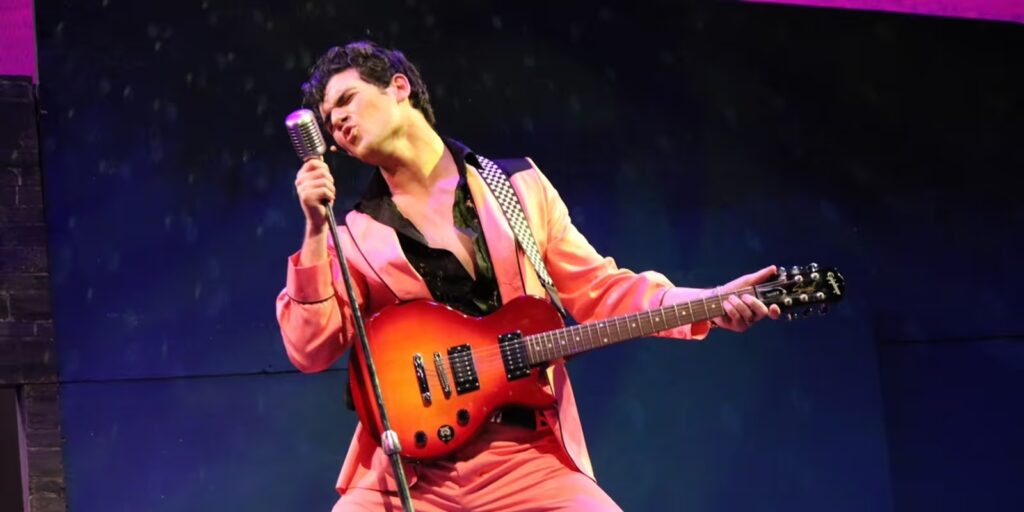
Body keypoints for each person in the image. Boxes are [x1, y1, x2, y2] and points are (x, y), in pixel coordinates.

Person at [276, 40, 781, 511]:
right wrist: (315, 228)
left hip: (526, 455)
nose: (338, 121)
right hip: (408, 473)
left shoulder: (517, 185)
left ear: (399, 88)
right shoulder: (352, 235)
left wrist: (711, 302)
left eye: (347, 100)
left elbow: (601, 289)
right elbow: (310, 349)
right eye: (329, 119)